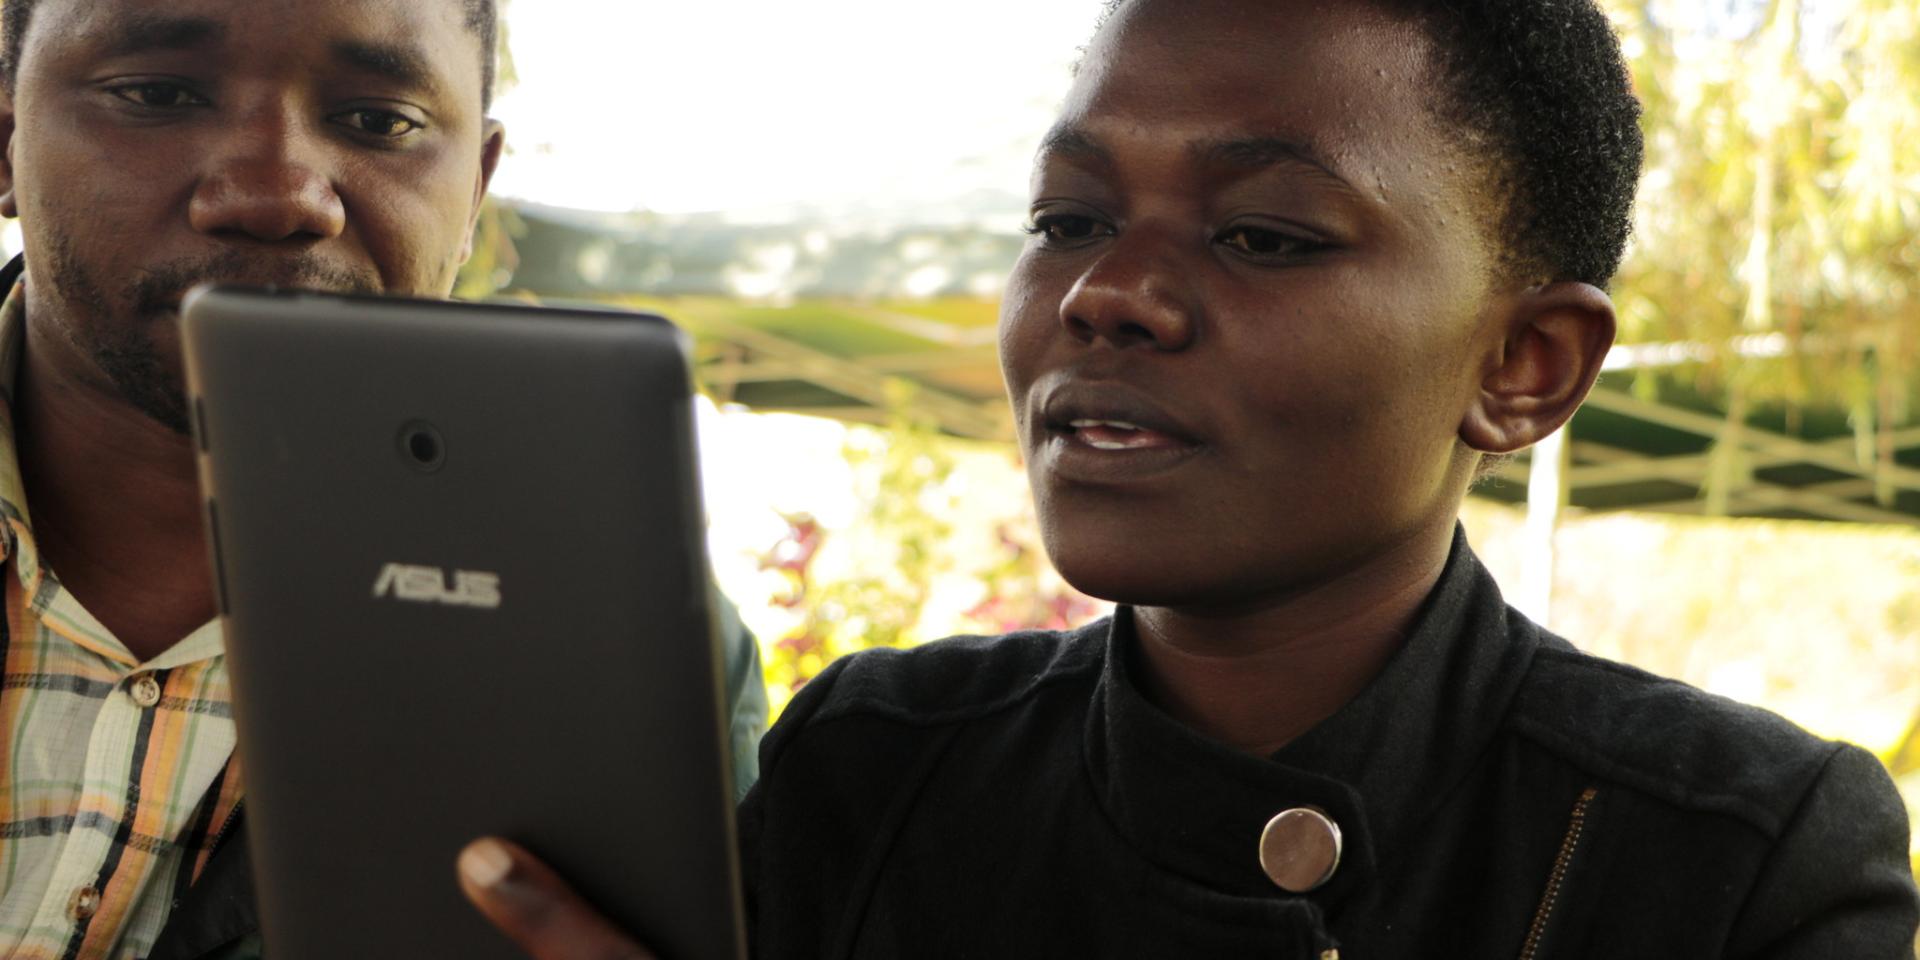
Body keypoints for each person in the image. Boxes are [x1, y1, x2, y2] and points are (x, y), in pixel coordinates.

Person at [464, 0, 1920, 957]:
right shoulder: (875, 769)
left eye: (1266, 235)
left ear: (1523, 364)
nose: (1110, 293)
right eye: (1069, 214)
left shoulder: (1734, 864)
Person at [0, 1, 767, 958]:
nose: (280, 195)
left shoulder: (635, 646)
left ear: (475, 187)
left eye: (381, 122)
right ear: (6, 143)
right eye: (156, 93)